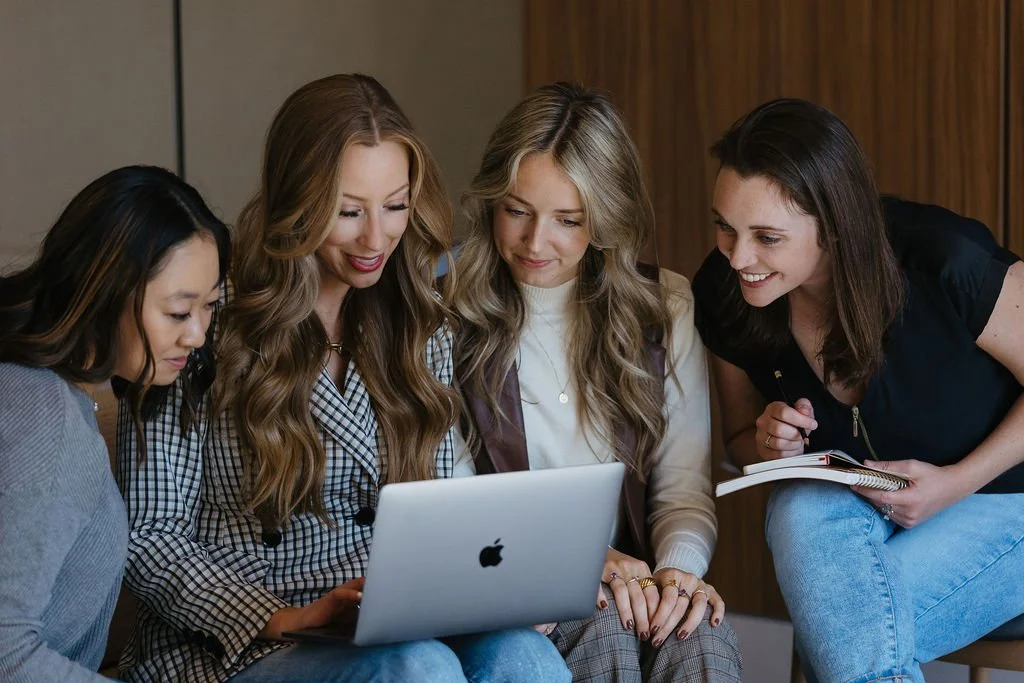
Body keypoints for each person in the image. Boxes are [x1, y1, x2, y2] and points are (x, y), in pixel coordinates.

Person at [115, 74, 570, 683]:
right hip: (242, 638)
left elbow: (436, 515)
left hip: (391, 622)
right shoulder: (203, 322)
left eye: (396, 206)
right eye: (348, 211)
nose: (375, 239)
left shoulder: (421, 324)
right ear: (297, 202)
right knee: (418, 668)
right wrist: (284, 617)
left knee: (525, 657)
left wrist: (488, 595)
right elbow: (148, 535)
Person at [692, 97, 1024, 682]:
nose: (739, 257)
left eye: (767, 237)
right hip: (867, 511)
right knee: (799, 506)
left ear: (835, 224)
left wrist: (955, 484)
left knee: (846, 627)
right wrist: (770, 447)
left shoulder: (943, 260)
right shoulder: (726, 294)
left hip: (1008, 498)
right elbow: (741, 441)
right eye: (724, 226)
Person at [451, 82, 742, 682]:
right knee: (601, 621)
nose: (535, 243)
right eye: (516, 211)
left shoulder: (665, 305)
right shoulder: (444, 310)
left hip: (626, 575)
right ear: (490, 203)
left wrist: (678, 574)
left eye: (568, 220)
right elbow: (453, 505)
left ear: (606, 217)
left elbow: (683, 490)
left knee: (697, 634)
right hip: (507, 581)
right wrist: (581, 561)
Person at [0, 165, 229, 682]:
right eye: (177, 313)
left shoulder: (46, 394)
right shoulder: (43, 414)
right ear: (104, 293)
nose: (197, 335)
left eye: (210, 306)